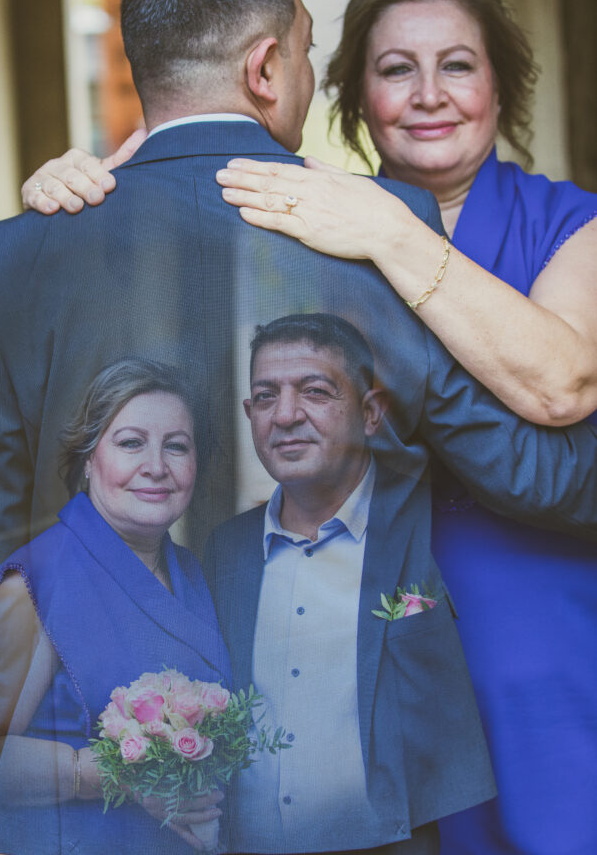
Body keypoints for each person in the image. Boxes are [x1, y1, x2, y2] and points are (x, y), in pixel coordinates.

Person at [0, 0, 597, 855]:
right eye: (303, 45)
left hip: (95, 810)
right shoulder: (370, 231)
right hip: (339, 796)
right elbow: (549, 475)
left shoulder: (7, 254)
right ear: (264, 67)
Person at [204, 313, 479, 855]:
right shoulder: (224, 550)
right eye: (265, 396)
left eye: (315, 390)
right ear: (248, 414)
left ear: (371, 412)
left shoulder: (424, 522)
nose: (285, 415)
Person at [0, 358, 231, 855]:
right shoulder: (37, 580)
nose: (156, 466)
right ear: (86, 457)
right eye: (130, 443)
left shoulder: (190, 572)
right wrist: (106, 774)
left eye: (177, 446)